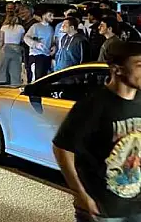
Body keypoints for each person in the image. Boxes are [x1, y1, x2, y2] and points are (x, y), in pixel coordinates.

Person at [53, 41, 141, 222]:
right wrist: (81, 194)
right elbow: (62, 148)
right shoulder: (93, 106)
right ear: (117, 70)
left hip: (136, 207)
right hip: (102, 210)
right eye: (139, 65)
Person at [23, 10, 55, 82]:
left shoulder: (51, 28)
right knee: (36, 79)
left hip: (47, 56)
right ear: (43, 16)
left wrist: (54, 47)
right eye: (50, 15)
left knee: (45, 79)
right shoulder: (35, 26)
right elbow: (26, 38)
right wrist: (35, 44)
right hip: (36, 56)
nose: (52, 17)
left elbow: (53, 42)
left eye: (53, 15)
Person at [0, 15, 25, 85]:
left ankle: (0, 82)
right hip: (17, 48)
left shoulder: (4, 27)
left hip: (6, 47)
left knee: (2, 67)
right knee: (15, 68)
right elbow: (22, 39)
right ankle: (15, 84)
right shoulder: (21, 28)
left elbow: (1, 40)